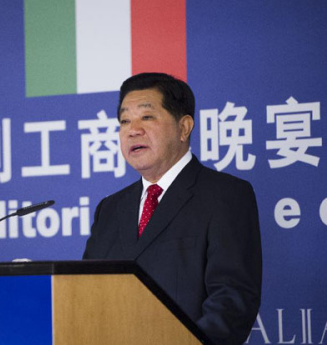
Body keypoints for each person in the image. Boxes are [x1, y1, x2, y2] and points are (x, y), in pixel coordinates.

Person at [83, 72, 262, 344]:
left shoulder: (225, 195)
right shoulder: (109, 209)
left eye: (147, 117)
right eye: (124, 120)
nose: (133, 130)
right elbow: (87, 296)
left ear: (184, 127)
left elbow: (232, 301)